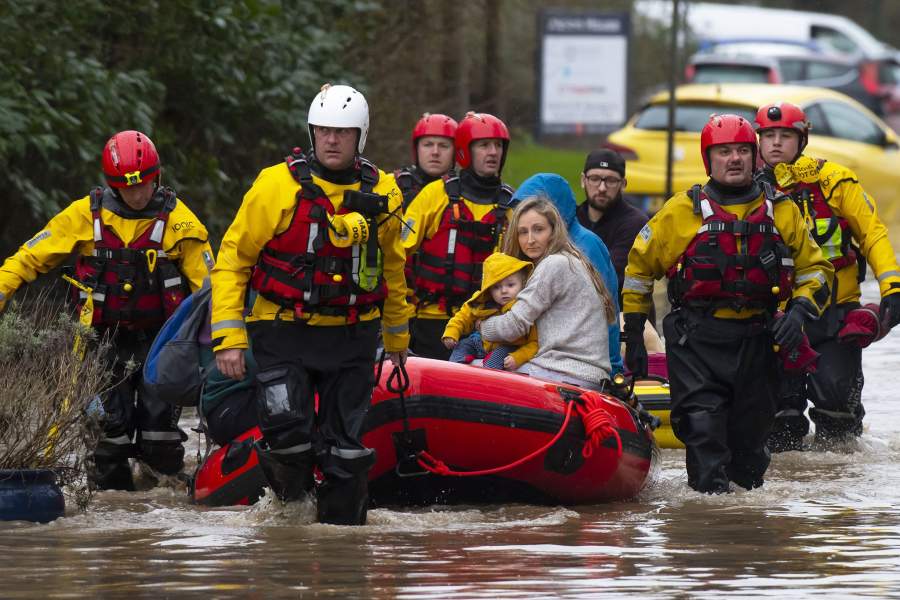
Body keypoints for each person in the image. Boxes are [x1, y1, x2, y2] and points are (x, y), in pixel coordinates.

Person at [210, 83, 409, 526]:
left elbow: (393, 270)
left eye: (342, 132)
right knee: (288, 437)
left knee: (347, 451)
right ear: (312, 132)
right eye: (322, 131)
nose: (331, 140)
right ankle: (288, 522)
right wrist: (228, 337)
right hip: (282, 330)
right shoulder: (275, 186)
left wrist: (397, 338)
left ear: (361, 137)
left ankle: (343, 547)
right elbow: (233, 261)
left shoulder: (387, 192)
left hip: (352, 336)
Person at [622, 114, 833, 494]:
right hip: (697, 342)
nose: (734, 159)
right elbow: (639, 269)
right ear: (709, 159)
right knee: (703, 431)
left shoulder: (782, 211)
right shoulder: (680, 211)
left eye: (741, 151)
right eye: (723, 152)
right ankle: (705, 536)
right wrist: (634, 334)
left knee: (750, 453)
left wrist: (799, 312)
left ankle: (742, 541)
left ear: (754, 157)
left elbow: (817, 270)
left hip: (759, 341)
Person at [0, 130, 214, 491]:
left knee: (159, 439)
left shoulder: (182, 223)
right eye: (127, 187)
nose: (137, 194)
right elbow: (27, 259)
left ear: (156, 177)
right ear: (112, 184)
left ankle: (159, 504)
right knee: (107, 441)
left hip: (160, 344)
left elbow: (212, 288)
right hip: (98, 342)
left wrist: (227, 337)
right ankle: (113, 507)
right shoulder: (83, 215)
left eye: (144, 185)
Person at [754, 101, 900, 449]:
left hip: (833, 314)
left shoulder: (833, 180)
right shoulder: (745, 188)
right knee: (778, 419)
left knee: (838, 415)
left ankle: (834, 495)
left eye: (785, 135)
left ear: (801, 140)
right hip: (775, 318)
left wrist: (891, 286)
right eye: (769, 135)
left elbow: (872, 234)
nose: (776, 143)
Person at [403, 111, 515, 360]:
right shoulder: (435, 194)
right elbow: (398, 252)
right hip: (430, 321)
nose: (493, 153)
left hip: (485, 326)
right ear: (465, 151)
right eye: (484, 145)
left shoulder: (510, 205)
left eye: (498, 146)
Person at [481, 197, 617, 391]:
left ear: (553, 231)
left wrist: (480, 326)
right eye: (523, 232)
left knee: (469, 370)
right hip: (583, 373)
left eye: (538, 229)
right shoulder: (571, 259)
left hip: (565, 373)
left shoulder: (554, 264)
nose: (530, 240)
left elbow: (514, 327)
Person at [511, 172, 624, 374]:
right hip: (551, 355)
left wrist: (613, 368)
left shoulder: (585, 246)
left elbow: (604, 310)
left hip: (580, 363)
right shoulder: (540, 246)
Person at [442, 252, 537, 370]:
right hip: (478, 341)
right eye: (496, 287)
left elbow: (534, 343)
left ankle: (487, 383)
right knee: (461, 346)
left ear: (522, 284)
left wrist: (518, 357)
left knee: (494, 362)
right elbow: (462, 316)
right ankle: (455, 372)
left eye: (510, 285)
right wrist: (452, 332)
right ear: (488, 290)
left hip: (507, 347)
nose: (503, 291)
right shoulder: (480, 302)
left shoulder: (525, 308)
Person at [576, 149, 648, 299]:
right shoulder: (571, 218)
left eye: (611, 181)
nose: (602, 188)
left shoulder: (635, 223)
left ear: (623, 184)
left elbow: (609, 276)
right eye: (595, 178)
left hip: (622, 314)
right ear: (583, 180)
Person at [394, 113, 458, 210]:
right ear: (417, 149)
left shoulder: (467, 192)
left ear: (455, 152)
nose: (435, 152)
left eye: (443, 146)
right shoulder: (395, 184)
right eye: (428, 145)